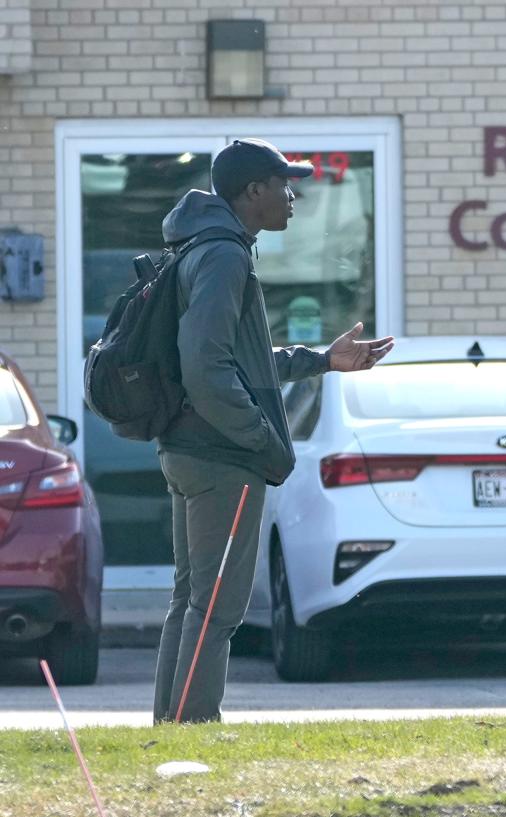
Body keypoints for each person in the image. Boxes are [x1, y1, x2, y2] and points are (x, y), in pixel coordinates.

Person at [153, 138, 394, 723]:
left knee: (191, 601)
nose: (294, 196)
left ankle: (169, 729)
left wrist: (321, 360)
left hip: (192, 449)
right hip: (221, 457)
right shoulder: (223, 255)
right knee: (216, 608)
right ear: (253, 191)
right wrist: (259, 440)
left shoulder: (207, 247)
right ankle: (194, 727)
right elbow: (205, 365)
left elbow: (242, 359)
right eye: (285, 184)